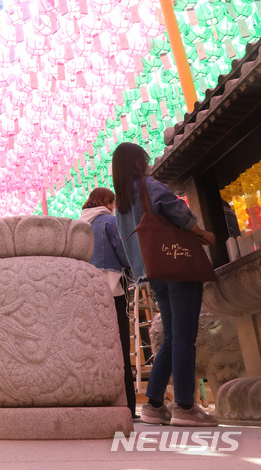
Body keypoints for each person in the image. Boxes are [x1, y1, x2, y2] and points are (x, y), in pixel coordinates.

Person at [112, 142, 217, 428]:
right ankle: (185, 406)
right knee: (184, 336)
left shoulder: (120, 203)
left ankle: (155, 403)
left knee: (172, 336)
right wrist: (202, 233)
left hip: (153, 271)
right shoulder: (147, 185)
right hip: (177, 265)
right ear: (136, 162)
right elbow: (176, 211)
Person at [79, 187, 137, 419]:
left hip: (86, 292)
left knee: (92, 348)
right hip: (113, 290)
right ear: (109, 202)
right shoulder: (109, 222)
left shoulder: (79, 226)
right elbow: (125, 255)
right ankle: (127, 407)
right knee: (121, 347)